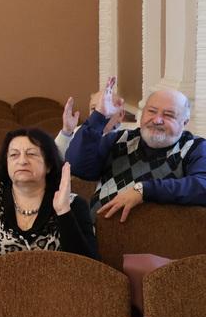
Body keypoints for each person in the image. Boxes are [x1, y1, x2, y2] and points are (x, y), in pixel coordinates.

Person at [0, 128, 99, 313]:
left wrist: (63, 212)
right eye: (14, 155)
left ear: (48, 165)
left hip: (59, 307)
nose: (22, 160)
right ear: (6, 163)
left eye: (31, 154)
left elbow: (90, 270)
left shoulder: (74, 204)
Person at [66, 76, 206, 221]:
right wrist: (99, 117)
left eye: (168, 115)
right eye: (152, 111)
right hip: (94, 235)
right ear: (143, 113)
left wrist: (144, 190)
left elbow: (202, 185)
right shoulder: (120, 139)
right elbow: (77, 167)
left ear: (185, 122)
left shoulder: (195, 147)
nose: (157, 120)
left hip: (154, 240)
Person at [55, 93, 125, 157]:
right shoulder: (79, 132)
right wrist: (67, 131)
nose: (98, 113)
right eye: (93, 109)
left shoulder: (127, 136)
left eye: (106, 107)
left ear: (120, 115)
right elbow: (55, 159)